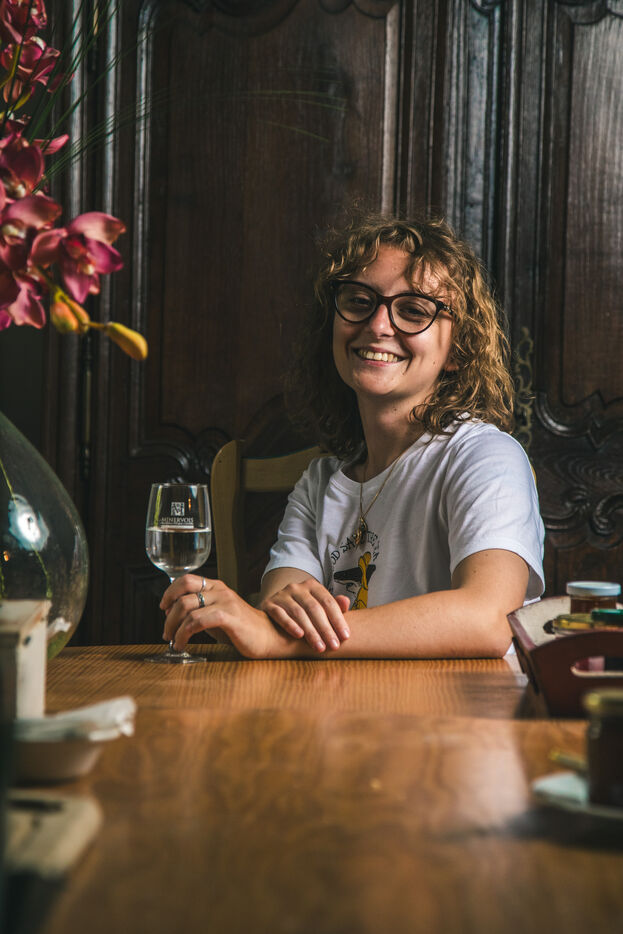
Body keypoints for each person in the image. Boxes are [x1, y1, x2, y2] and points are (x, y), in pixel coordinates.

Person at [162, 213, 545, 659]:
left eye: (414, 310)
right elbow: (281, 612)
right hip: (341, 700)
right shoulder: (318, 483)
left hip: (460, 702)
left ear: (458, 350)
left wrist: (274, 639)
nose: (378, 325)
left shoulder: (485, 456)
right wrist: (272, 626)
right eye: (360, 301)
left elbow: (490, 620)